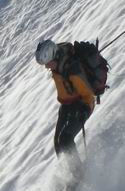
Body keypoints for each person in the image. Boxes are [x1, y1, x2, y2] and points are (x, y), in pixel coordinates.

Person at [35, 39, 96, 177]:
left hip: (82, 105)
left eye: (47, 63)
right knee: (58, 143)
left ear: (53, 56)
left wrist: (84, 110)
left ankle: (79, 175)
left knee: (65, 139)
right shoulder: (57, 65)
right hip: (67, 105)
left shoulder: (71, 69)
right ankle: (72, 174)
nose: (46, 67)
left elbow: (87, 94)